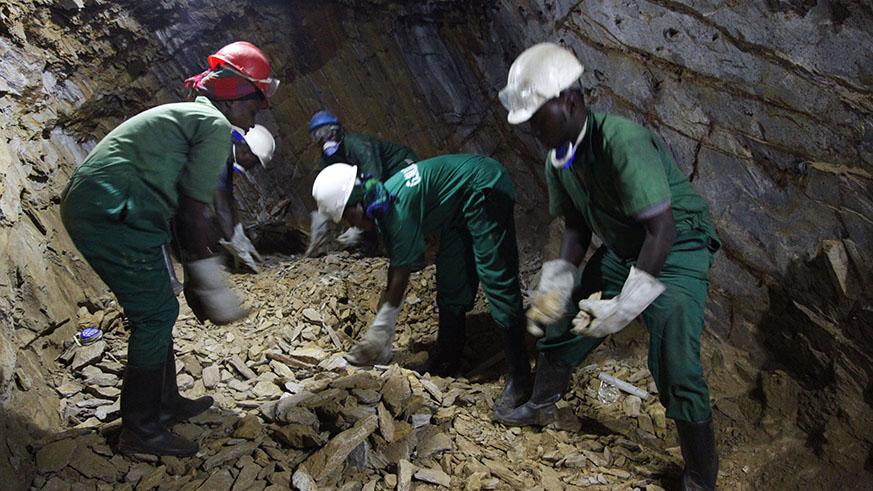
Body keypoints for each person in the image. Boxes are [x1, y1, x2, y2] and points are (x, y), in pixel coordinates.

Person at [496, 43, 721, 490]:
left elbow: (662, 230)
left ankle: (700, 479)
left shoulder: (623, 142)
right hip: (625, 248)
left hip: (678, 249)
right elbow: (577, 227)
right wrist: (558, 282)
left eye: (537, 117)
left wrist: (625, 307)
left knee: (675, 360)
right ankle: (541, 404)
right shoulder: (560, 158)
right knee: (565, 316)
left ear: (569, 101)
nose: (533, 130)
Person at [60, 41, 278, 457]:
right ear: (235, 96)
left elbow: (182, 209)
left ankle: (165, 402)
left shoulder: (195, 119)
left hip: (115, 204)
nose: (254, 119)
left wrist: (196, 279)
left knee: (162, 306)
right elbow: (194, 214)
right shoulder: (213, 126)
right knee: (155, 313)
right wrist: (207, 284)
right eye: (255, 106)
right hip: (110, 208)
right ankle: (139, 430)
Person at [311, 155, 532, 416]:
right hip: (456, 208)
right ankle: (446, 360)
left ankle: (520, 378)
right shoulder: (380, 199)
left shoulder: (395, 209)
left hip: (483, 187)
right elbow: (398, 259)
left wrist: (382, 328)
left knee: (495, 273)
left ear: (357, 203)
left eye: (349, 217)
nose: (352, 225)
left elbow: (401, 271)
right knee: (452, 277)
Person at [305, 110, 418, 256]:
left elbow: (374, 179)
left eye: (327, 133)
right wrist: (322, 221)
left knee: (380, 198)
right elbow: (328, 189)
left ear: (337, 131)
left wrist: (358, 225)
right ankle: (373, 244)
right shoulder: (327, 159)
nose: (324, 139)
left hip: (401, 166)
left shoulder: (359, 145)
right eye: (318, 136)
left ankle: (405, 243)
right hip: (375, 176)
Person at [213, 124, 276, 273]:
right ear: (246, 152)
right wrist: (234, 241)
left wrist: (238, 232)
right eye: (255, 162)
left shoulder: (228, 148)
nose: (253, 167)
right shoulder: (219, 152)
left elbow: (228, 196)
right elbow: (220, 205)